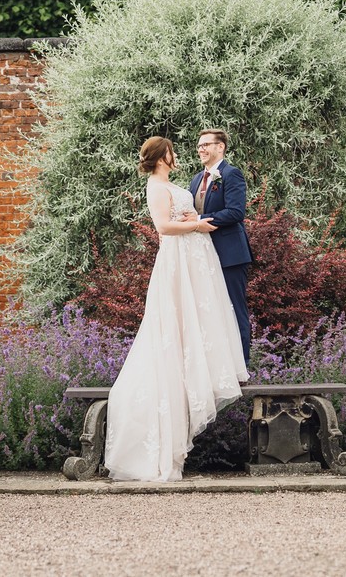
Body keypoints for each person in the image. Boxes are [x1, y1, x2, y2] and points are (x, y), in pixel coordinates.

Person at [103, 136, 249, 481]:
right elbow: (163, 227)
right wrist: (196, 224)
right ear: (160, 157)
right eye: (171, 150)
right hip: (179, 257)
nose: (179, 153)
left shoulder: (181, 182)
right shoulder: (156, 185)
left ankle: (212, 366)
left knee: (207, 316)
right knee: (177, 321)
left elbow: (194, 214)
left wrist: (193, 217)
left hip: (196, 259)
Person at [190, 128, 253, 363]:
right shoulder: (196, 179)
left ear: (221, 147)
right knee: (211, 313)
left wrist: (198, 221)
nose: (201, 149)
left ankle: (242, 367)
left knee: (235, 310)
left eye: (206, 144)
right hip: (202, 255)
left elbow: (236, 212)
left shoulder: (231, 174)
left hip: (230, 254)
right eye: (199, 146)